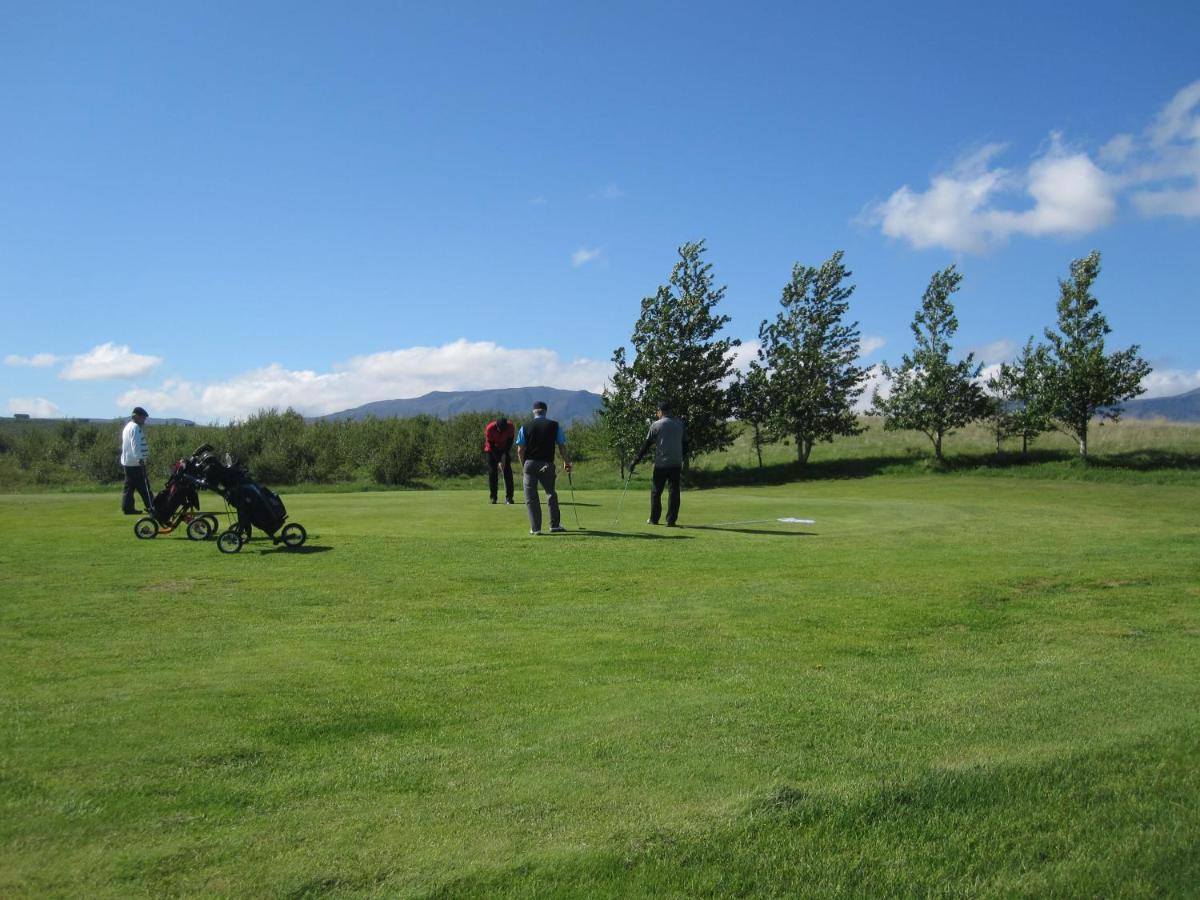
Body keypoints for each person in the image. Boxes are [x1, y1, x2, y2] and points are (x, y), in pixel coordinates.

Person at [515, 400, 572, 535]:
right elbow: (562, 447)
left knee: (531, 497)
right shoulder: (554, 425)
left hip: (530, 464)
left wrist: (524, 466)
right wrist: (567, 462)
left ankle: (536, 529)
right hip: (546, 464)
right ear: (546, 411)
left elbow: (520, 450)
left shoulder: (525, 426)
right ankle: (555, 525)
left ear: (534, 412)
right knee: (551, 493)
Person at [630, 401, 687, 527]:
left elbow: (646, 445)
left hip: (661, 464)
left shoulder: (656, 425)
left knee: (656, 492)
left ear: (661, 411)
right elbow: (685, 444)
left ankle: (654, 519)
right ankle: (671, 521)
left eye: (657, 411)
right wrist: (682, 458)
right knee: (674, 492)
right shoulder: (680, 424)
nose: (657, 413)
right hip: (676, 464)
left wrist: (635, 461)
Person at [120, 406, 153, 515]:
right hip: (136, 463)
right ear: (136, 417)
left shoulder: (127, 427)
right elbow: (136, 445)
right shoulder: (135, 428)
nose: (144, 420)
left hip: (127, 462)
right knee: (144, 487)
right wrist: (140, 459)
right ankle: (151, 506)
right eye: (143, 418)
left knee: (129, 488)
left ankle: (127, 508)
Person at [483, 416, 516, 504]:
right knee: (492, 473)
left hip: (504, 448)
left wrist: (504, 455)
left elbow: (509, 442)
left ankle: (509, 498)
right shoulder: (490, 428)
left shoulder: (510, 427)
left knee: (508, 473)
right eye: (499, 429)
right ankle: (493, 497)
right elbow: (491, 445)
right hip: (491, 450)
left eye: (503, 430)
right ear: (496, 426)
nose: (501, 431)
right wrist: (499, 461)